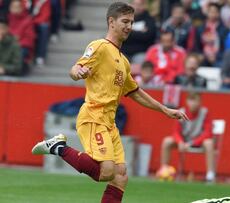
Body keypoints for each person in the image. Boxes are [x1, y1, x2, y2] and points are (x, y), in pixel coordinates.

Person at [31, 3, 188, 203]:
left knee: (120, 175)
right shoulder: (99, 46)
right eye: (125, 21)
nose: (129, 26)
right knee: (106, 171)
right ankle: (58, 147)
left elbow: (135, 92)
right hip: (93, 116)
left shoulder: (123, 61)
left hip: (110, 123)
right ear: (111, 22)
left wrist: (164, 109)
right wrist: (78, 72)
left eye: (131, 22)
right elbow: (75, 68)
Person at [157, 92, 215, 182]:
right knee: (167, 141)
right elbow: (175, 132)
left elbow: (208, 133)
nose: (193, 103)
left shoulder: (205, 112)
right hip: (184, 141)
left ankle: (210, 175)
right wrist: (180, 142)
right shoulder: (181, 112)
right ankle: (164, 170)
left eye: (195, 101)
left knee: (209, 143)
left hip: (198, 142)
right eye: (191, 100)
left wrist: (192, 143)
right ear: (187, 101)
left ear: (200, 102)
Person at [194, 2, 228, 67]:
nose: (213, 14)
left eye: (215, 12)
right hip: (203, 57)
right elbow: (196, 46)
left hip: (218, 58)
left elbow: (225, 48)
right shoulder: (200, 28)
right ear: (207, 13)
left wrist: (217, 56)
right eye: (211, 12)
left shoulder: (224, 29)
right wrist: (201, 55)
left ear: (218, 14)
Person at [24, 0, 51, 67]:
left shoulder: (44, 1)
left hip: (35, 22)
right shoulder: (22, 1)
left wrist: (31, 22)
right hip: (23, 22)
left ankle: (40, 56)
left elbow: (45, 16)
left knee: (44, 27)